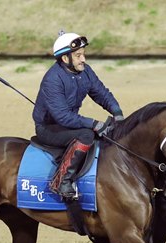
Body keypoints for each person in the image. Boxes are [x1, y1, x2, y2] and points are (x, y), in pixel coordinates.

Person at [33, 31, 124, 199]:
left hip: (67, 124)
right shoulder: (52, 80)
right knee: (87, 134)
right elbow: (63, 117)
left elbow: (101, 93)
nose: (83, 59)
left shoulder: (85, 71)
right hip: (49, 129)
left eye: (83, 54)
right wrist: (94, 124)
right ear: (65, 59)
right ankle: (62, 181)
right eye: (78, 55)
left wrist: (117, 113)